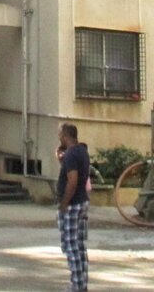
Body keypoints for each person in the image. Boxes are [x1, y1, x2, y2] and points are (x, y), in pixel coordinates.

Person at [56, 123, 90, 292]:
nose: (59, 137)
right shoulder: (82, 151)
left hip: (72, 204)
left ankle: (76, 285)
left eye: (60, 134)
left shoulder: (71, 155)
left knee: (70, 245)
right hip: (82, 201)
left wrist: (64, 203)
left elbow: (72, 180)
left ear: (65, 135)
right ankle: (82, 283)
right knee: (80, 245)